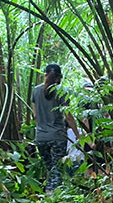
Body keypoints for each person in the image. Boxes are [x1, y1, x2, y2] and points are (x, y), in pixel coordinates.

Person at [31, 63, 79, 191]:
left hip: (40, 137)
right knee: (57, 170)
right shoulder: (61, 92)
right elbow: (68, 116)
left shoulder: (36, 91)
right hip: (57, 137)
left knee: (50, 169)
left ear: (45, 75)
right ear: (59, 77)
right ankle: (51, 196)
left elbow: (35, 116)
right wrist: (78, 135)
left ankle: (50, 197)